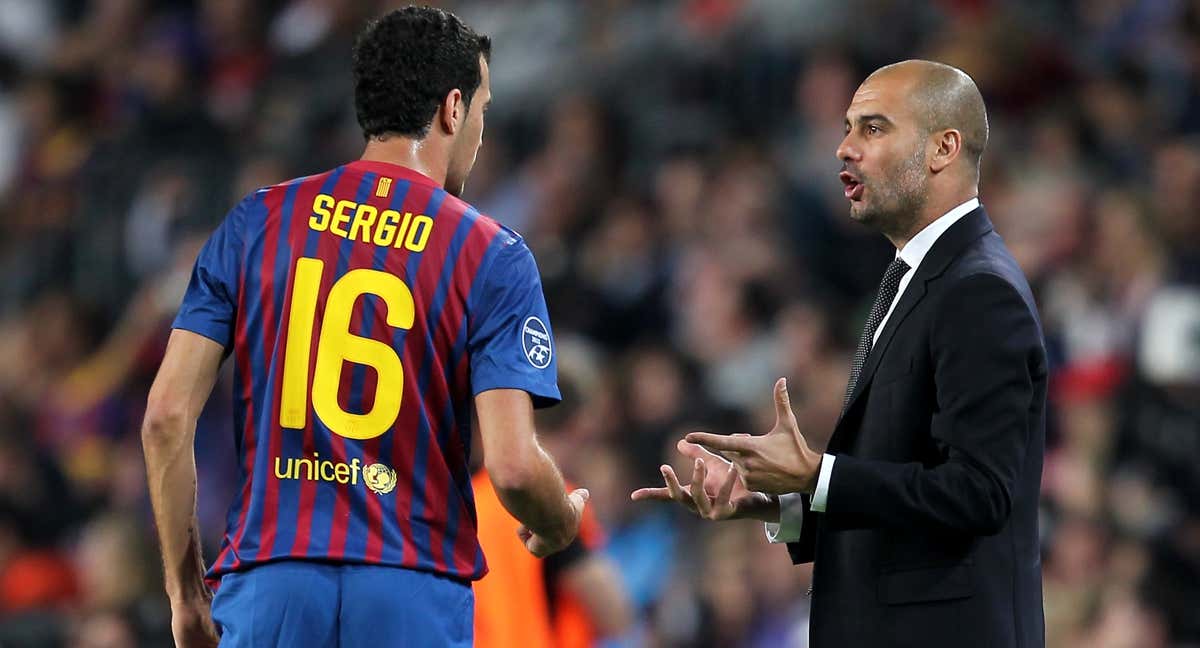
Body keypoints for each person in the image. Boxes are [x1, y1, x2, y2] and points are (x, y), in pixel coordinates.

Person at [140, 7, 587, 648]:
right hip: (412, 590)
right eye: (483, 110)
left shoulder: (256, 223)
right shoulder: (492, 255)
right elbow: (514, 468)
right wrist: (560, 519)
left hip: (270, 582)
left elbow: (164, 416)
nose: (480, 131)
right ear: (453, 109)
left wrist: (185, 594)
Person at [633, 59, 1047, 647]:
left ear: (943, 148)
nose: (844, 148)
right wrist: (772, 505)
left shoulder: (979, 290)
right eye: (848, 127)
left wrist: (819, 474)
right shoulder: (915, 278)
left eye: (873, 128)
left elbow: (978, 495)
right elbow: (904, 496)